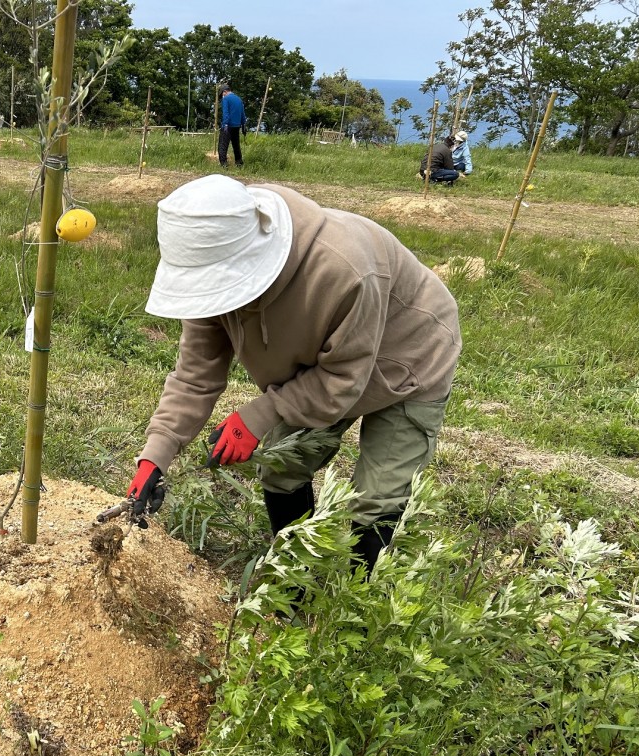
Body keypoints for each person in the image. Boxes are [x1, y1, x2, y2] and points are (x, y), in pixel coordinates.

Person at [126, 175, 461, 573]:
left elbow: (340, 383)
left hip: (410, 359)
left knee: (376, 500)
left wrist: (258, 416)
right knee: (281, 469)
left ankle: (347, 601)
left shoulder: (342, 270)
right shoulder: (211, 267)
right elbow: (196, 374)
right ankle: (295, 575)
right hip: (319, 369)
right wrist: (156, 454)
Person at [218, 83, 246, 168]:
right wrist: (243, 125)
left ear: (225, 91)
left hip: (228, 126)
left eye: (222, 93)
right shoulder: (239, 99)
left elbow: (225, 113)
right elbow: (242, 114)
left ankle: (224, 165)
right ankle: (239, 163)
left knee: (222, 146)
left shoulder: (226, 99)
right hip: (237, 126)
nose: (222, 96)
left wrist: (225, 124)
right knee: (236, 146)